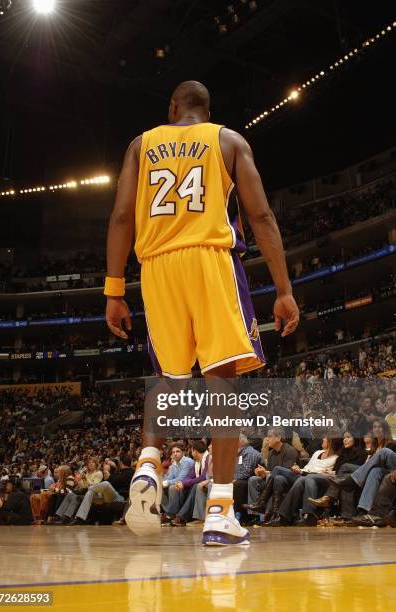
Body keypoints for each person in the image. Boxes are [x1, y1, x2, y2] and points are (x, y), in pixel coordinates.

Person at [105, 80, 299, 546]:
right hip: (211, 261)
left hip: (157, 268)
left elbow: (120, 217)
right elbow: (261, 216)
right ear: (207, 111)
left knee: (168, 379)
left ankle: (149, 463)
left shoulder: (141, 144)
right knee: (222, 385)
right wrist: (284, 289)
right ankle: (220, 513)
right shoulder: (228, 141)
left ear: (172, 108)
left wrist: (114, 290)